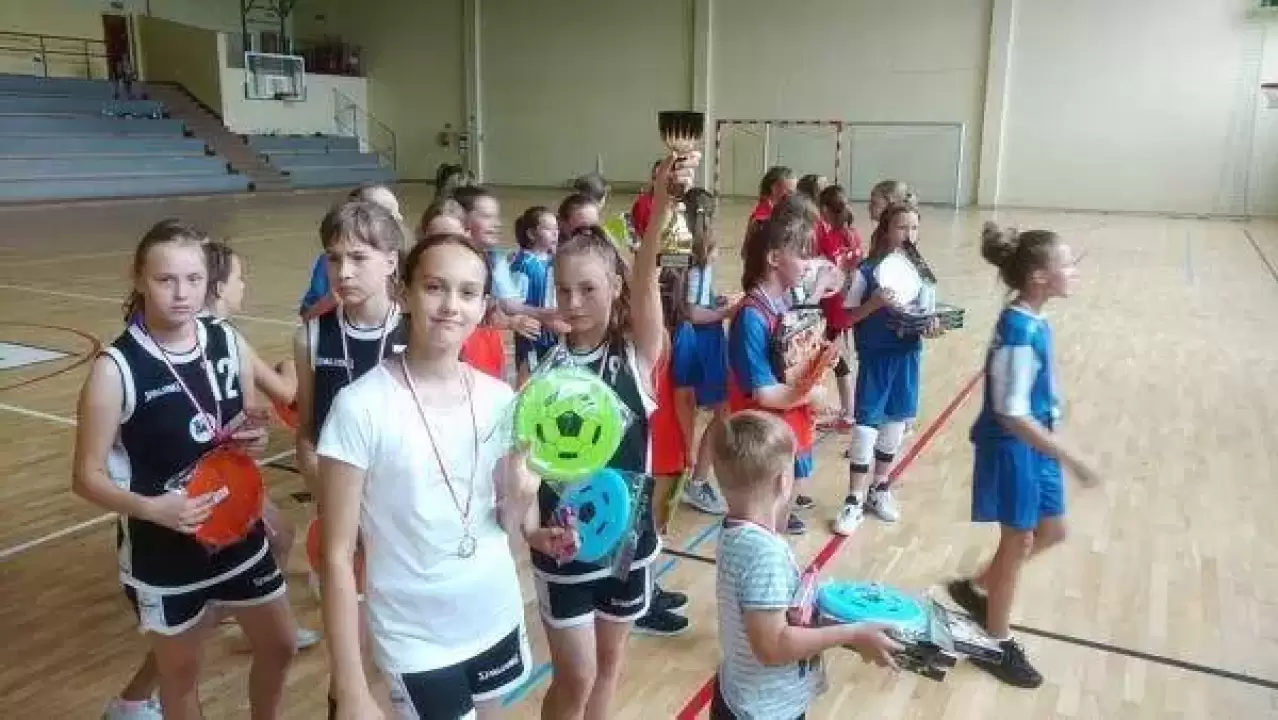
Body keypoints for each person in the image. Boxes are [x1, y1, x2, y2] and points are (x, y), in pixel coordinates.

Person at [74, 220, 295, 719]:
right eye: (165, 280)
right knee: (181, 677)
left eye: (194, 280)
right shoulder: (115, 369)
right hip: (163, 553)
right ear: (138, 278)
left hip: (237, 531)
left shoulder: (226, 340)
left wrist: (251, 437)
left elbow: (237, 426)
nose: (181, 294)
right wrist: (152, 509)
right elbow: (86, 477)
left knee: (280, 645)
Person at [318, 233, 541, 719]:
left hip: (494, 612)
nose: (450, 306)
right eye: (435, 287)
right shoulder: (359, 407)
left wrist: (524, 499)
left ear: (483, 306)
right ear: (404, 293)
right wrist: (351, 687)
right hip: (415, 635)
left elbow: (505, 527)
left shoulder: (500, 399)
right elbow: (337, 556)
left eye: (467, 292)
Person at [528, 153, 698, 718]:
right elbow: (524, 466)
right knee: (574, 677)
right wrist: (529, 528)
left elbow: (646, 277)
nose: (573, 303)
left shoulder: (635, 355)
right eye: (563, 290)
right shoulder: (544, 371)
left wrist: (663, 201)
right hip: (563, 543)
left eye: (588, 289)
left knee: (608, 669)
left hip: (627, 541)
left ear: (614, 287)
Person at [947, 222, 1098, 688]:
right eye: (1067, 264)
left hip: (1035, 445)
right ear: (1039, 277)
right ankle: (996, 642)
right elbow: (1011, 414)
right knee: (1018, 544)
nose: (1074, 270)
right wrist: (1071, 456)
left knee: (1053, 530)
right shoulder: (1017, 332)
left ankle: (976, 588)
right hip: (1014, 449)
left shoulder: (1033, 319)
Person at [293, 200, 407, 717]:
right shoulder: (311, 335)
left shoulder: (417, 331)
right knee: (350, 664)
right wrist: (325, 489)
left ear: (391, 260)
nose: (343, 272)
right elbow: (307, 432)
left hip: (406, 525)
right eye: (334, 258)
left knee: (398, 658)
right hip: (345, 530)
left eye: (359, 257)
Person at [711, 410, 899, 720]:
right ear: (784, 482)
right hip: (764, 711)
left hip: (742, 697)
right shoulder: (763, 554)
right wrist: (852, 634)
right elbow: (773, 646)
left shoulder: (735, 532)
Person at [833, 202, 941, 536]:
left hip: (907, 356)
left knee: (896, 422)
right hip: (876, 358)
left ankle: (879, 488)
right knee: (867, 427)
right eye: (902, 227)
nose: (909, 234)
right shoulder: (867, 272)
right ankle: (853, 498)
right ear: (885, 230)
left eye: (914, 228)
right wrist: (874, 303)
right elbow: (847, 318)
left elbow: (926, 314)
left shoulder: (922, 274)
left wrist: (932, 325)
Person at [670, 188, 735, 515]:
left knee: (692, 411)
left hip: (690, 337)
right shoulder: (701, 254)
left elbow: (692, 299)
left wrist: (715, 299)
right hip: (700, 339)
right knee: (719, 410)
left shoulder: (678, 248)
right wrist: (725, 312)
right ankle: (695, 480)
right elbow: (692, 312)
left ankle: (687, 476)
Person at [300, 184, 403, 318]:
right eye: (386, 211)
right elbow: (307, 314)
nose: (399, 217)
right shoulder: (330, 262)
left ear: (391, 261)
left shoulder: (411, 258)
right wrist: (331, 300)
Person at [813, 185, 865, 433]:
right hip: (848, 304)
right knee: (837, 357)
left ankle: (847, 413)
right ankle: (846, 409)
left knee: (834, 359)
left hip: (832, 306)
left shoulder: (826, 238)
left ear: (824, 209)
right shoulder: (853, 235)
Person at [509, 205, 559, 385]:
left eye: (556, 228)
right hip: (531, 332)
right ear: (531, 234)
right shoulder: (523, 263)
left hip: (552, 332)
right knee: (528, 377)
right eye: (548, 229)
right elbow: (513, 302)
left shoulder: (554, 261)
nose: (555, 233)